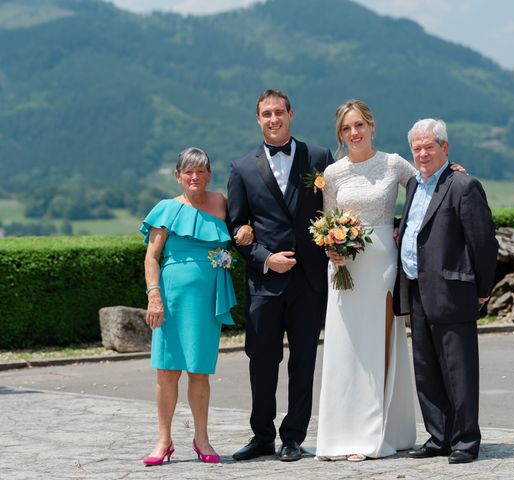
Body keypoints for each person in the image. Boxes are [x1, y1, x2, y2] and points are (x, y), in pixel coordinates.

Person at [226, 89, 334, 462]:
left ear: (291, 114)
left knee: (303, 360)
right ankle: (261, 436)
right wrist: (265, 258)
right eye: (266, 114)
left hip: (309, 282)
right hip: (265, 283)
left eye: (279, 112)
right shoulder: (241, 168)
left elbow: (335, 208)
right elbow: (236, 228)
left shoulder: (318, 157)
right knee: (261, 361)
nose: (273, 119)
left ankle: (293, 437)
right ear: (258, 120)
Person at [315, 99, 419, 461]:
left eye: (359, 125)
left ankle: (375, 433)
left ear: (372, 126)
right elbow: (326, 222)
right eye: (346, 128)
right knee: (347, 349)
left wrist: (402, 229)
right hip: (344, 269)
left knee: (379, 344)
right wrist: (331, 248)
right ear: (340, 135)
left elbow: (427, 190)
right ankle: (342, 434)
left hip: (382, 267)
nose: (354, 133)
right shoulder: (333, 174)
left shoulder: (394, 163)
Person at [394, 119, 498, 464]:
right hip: (418, 290)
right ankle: (438, 436)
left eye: (429, 147)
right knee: (426, 369)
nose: (423, 154)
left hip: (453, 291)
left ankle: (466, 440)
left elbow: (483, 243)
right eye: (417, 148)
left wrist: (483, 290)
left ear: (445, 148)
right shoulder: (413, 185)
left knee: (459, 370)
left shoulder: (464, 186)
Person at [140, 147, 253, 466]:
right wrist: (154, 296)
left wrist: (247, 229)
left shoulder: (221, 203)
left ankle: (201, 438)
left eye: (200, 170)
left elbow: (241, 227)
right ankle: (163, 440)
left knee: (200, 371)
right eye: (188, 171)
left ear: (209, 175)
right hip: (171, 299)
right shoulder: (165, 209)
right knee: (167, 371)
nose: (194, 176)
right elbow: (151, 257)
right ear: (177, 176)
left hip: (207, 299)